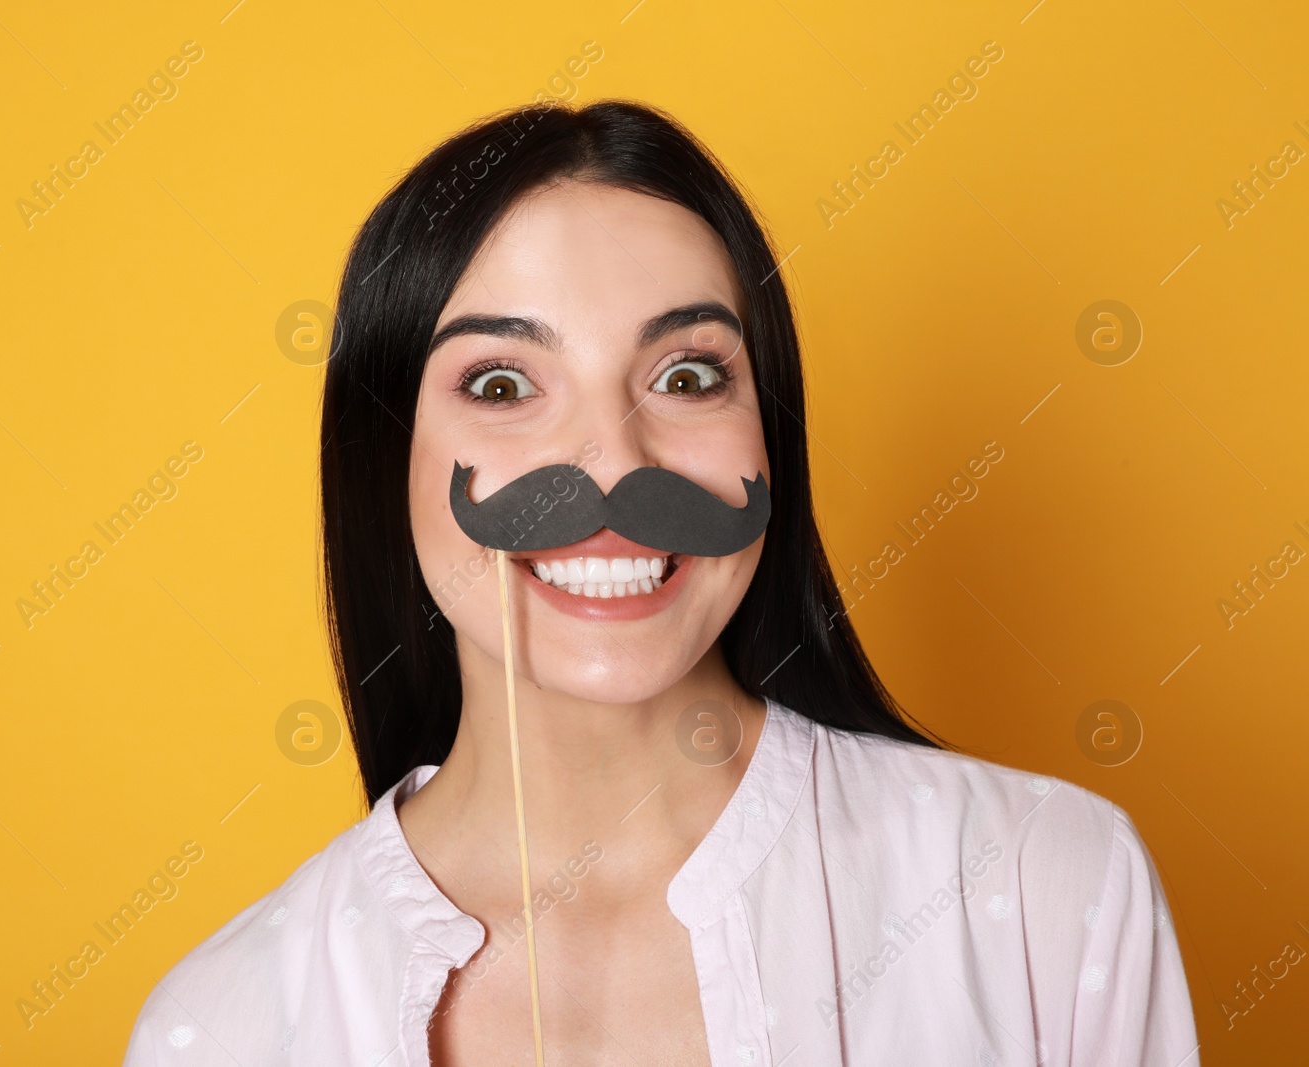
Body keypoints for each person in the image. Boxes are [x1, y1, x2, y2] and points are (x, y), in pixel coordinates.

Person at [123, 99, 1199, 1066]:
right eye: (501, 382)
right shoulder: (226, 1026)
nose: (612, 464)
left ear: (768, 438)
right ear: (380, 457)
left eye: (686, 375)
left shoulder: (1042, 887)